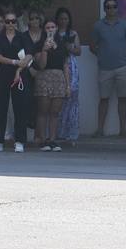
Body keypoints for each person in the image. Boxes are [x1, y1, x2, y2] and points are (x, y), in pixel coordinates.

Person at [0, 13, 35, 152]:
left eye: (13, 21)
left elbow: (30, 53)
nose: (10, 24)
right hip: (3, 73)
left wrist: (20, 67)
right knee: (1, 108)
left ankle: (20, 141)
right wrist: (15, 62)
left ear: (16, 23)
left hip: (20, 74)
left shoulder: (22, 36)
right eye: (8, 21)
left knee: (20, 108)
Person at [91, 0, 126, 136]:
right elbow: (92, 46)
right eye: (108, 7)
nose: (111, 9)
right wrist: (103, 55)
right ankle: (99, 129)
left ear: (118, 8)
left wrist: (120, 55)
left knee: (122, 98)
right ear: (104, 9)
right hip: (104, 68)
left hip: (122, 67)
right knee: (103, 99)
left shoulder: (125, 25)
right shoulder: (98, 26)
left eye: (114, 6)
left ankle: (123, 130)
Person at [34, 18, 71, 152]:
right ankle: (43, 140)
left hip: (59, 78)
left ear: (56, 29)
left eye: (53, 27)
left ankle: (52, 140)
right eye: (48, 27)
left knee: (55, 112)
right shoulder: (39, 44)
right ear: (44, 30)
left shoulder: (62, 45)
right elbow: (41, 65)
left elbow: (65, 66)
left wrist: (68, 85)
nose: (50, 30)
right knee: (43, 110)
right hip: (44, 77)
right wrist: (44, 49)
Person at [54, 8, 83, 145]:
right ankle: (57, 132)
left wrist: (69, 47)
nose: (63, 21)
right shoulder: (53, 32)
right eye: (61, 18)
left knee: (71, 98)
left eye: (66, 18)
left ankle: (71, 133)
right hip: (58, 64)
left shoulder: (73, 33)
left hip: (71, 65)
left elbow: (79, 51)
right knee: (58, 99)